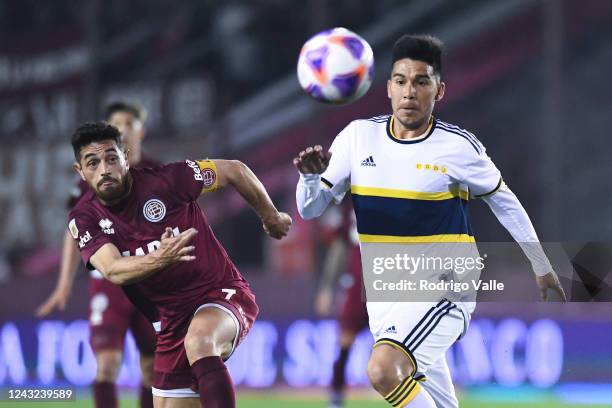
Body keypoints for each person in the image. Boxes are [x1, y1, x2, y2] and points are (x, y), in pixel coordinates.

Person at [294, 34, 566, 408]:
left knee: (384, 370)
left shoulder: (457, 147)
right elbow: (310, 209)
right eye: (401, 81)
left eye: (422, 82)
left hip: (446, 286)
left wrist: (541, 263)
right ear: (388, 87)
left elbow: (505, 202)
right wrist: (310, 178)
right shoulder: (357, 140)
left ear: (439, 91)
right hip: (385, 293)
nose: (410, 92)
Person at [68, 121, 291, 408]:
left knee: (200, 340)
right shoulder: (84, 217)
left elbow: (234, 170)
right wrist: (161, 257)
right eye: (93, 162)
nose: (104, 169)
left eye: (112, 158)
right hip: (171, 322)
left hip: (220, 294)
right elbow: (112, 269)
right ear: (80, 171)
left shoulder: (168, 180)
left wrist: (270, 216)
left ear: (126, 156)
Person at [37, 102, 159, 408]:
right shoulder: (91, 179)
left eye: (129, 123)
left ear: (140, 131)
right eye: (115, 123)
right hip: (108, 283)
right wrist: (64, 283)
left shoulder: (158, 172)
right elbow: (73, 230)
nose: (122, 129)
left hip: (150, 283)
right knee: (106, 364)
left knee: (152, 369)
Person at [313, 202, 368, 408]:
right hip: (357, 281)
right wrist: (326, 287)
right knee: (345, 341)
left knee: (401, 342)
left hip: (389, 279)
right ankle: (336, 397)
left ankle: (414, 392)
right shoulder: (350, 206)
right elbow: (339, 248)